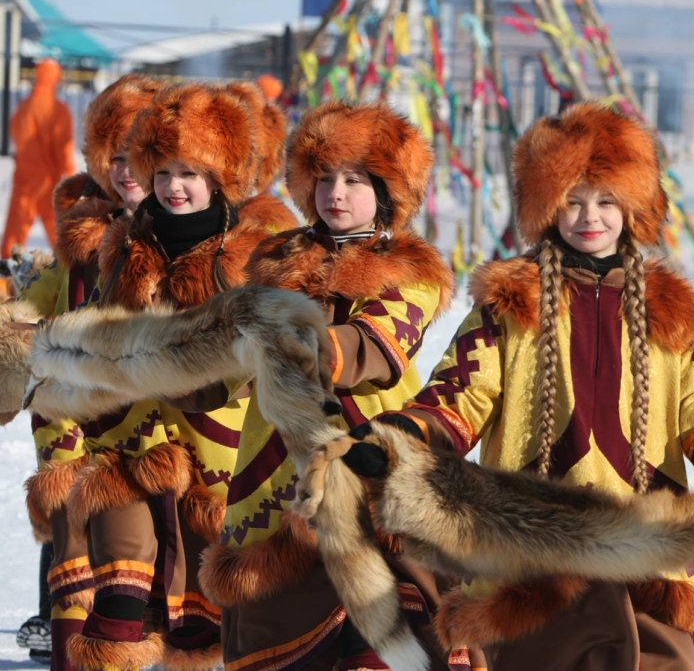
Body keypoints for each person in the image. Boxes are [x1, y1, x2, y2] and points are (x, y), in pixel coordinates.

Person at [337, 102, 694, 671]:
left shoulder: (667, 310)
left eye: (605, 200)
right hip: (534, 556)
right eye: (571, 200)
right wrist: (401, 437)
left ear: (631, 207)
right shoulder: (512, 305)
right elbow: (456, 399)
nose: (588, 216)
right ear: (547, 208)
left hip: (649, 556)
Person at [204, 101, 457, 671]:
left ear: (387, 192)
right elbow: (222, 359)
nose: (335, 193)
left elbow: (379, 344)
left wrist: (293, 345)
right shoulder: (271, 261)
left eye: (354, 180)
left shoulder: (410, 269)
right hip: (275, 475)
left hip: (372, 470)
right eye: (324, 179)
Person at [58, 83, 294, 671]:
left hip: (222, 461)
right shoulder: (128, 244)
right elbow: (102, 330)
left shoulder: (250, 255)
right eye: (162, 171)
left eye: (189, 172)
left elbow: (238, 363)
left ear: (218, 177)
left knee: (202, 629)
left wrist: (151, 368)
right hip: (132, 447)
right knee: (118, 608)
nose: (173, 186)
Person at [19, 74, 162, 671]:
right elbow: (33, 319)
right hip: (76, 434)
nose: (126, 171)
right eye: (115, 156)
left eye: (141, 156)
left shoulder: (199, 236)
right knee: (75, 568)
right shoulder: (82, 237)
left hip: (171, 441)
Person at [3, 59, 76, 257]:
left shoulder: (24, 107)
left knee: (15, 231)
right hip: (48, 180)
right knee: (57, 229)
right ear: (55, 78)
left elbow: (15, 134)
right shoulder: (58, 110)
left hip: (25, 177)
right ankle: (67, 273)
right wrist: (70, 174)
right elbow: (64, 146)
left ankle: (3, 279)